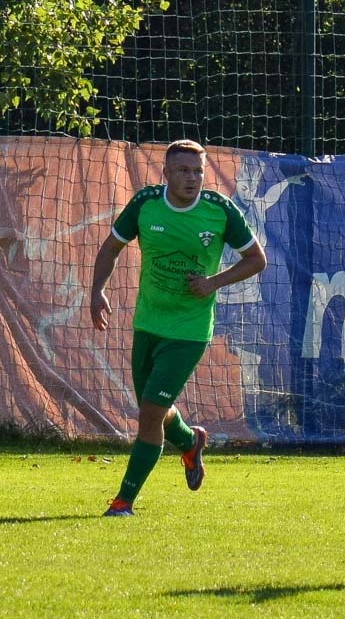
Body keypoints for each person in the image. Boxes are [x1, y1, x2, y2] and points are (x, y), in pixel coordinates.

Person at [89, 139, 268, 516]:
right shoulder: (146, 203)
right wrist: (97, 291)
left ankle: (123, 502)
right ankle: (189, 442)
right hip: (147, 323)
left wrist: (213, 282)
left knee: (150, 414)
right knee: (153, 408)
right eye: (184, 170)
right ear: (166, 172)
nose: (192, 178)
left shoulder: (220, 210)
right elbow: (110, 248)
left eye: (198, 171)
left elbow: (256, 259)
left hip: (189, 330)